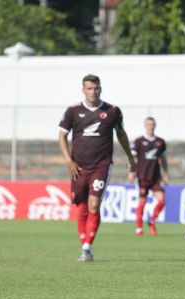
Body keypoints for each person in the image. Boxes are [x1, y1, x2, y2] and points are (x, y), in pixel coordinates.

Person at [58, 74, 136, 262]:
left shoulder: (112, 111)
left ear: (101, 88)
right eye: (89, 88)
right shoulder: (73, 111)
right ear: (83, 90)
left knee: (94, 204)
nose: (93, 92)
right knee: (82, 207)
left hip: (101, 165)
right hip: (78, 167)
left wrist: (131, 159)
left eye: (96, 88)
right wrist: (69, 160)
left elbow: (121, 134)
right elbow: (61, 137)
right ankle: (84, 243)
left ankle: (87, 248)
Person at [129, 117, 169, 236]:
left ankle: (151, 221)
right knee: (142, 202)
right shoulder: (138, 141)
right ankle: (139, 228)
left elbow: (163, 159)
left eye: (152, 124)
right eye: (148, 124)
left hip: (155, 177)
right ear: (145, 126)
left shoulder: (160, 142)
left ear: (155, 126)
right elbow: (133, 159)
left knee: (162, 200)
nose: (150, 126)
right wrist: (131, 171)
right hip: (142, 176)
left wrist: (165, 174)